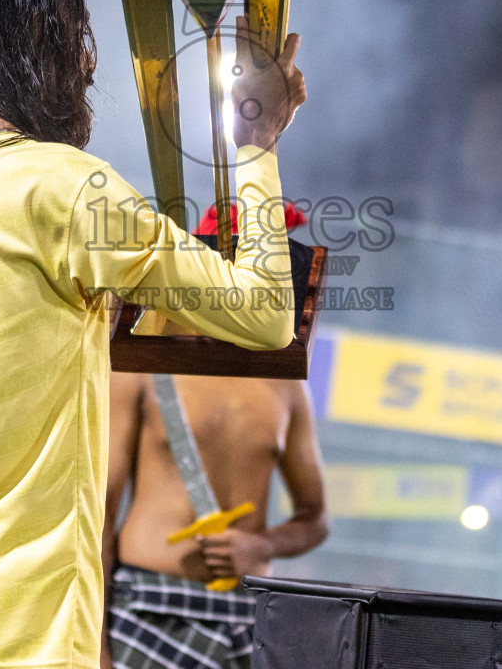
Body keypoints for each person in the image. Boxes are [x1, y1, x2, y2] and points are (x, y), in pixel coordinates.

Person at [0, 0, 305, 669]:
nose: (89, 63)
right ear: (39, 45)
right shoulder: (64, 188)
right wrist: (254, 143)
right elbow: (263, 314)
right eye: (76, 37)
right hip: (22, 627)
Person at [102, 206, 328, 669]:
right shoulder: (143, 363)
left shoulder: (285, 385)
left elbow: (315, 518)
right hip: (147, 609)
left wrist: (261, 546)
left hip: (247, 618)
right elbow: (98, 514)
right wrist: (94, 644)